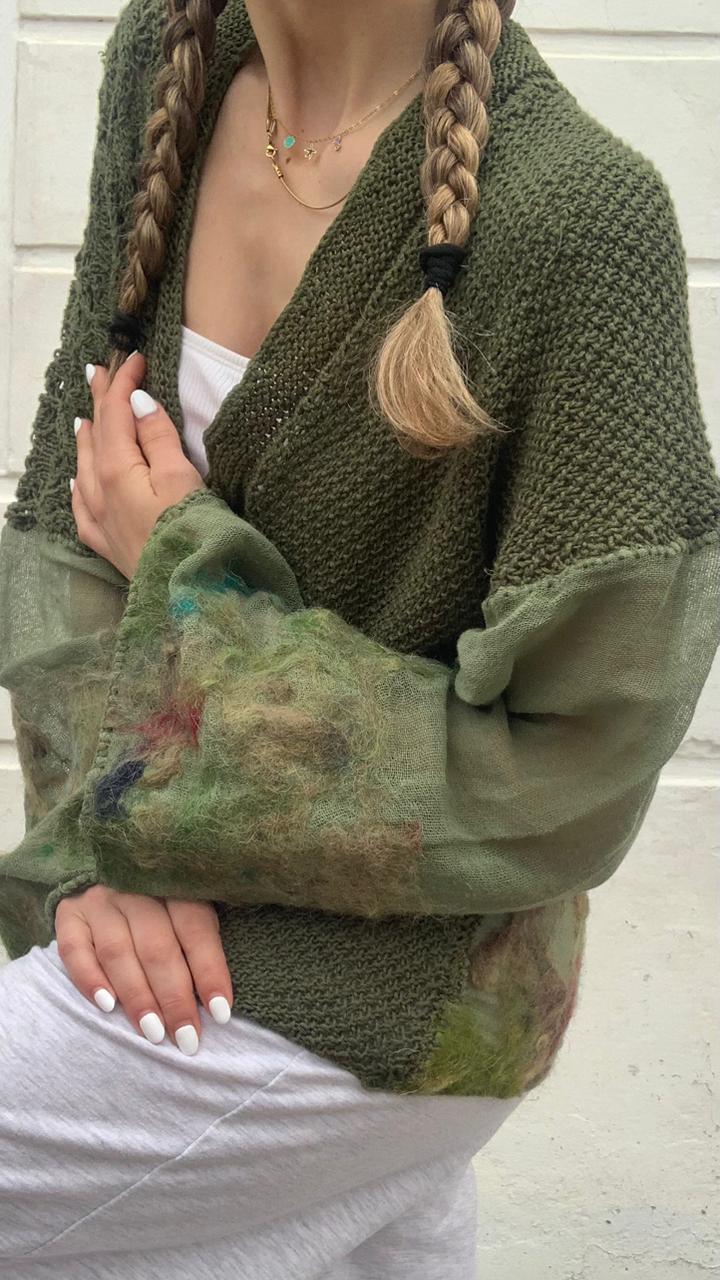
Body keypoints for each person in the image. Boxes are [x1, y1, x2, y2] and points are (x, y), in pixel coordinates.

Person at [0, 1, 718, 1276]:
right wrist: (104, 857)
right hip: (161, 932)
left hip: (397, 988)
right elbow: (63, 539)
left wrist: (184, 555)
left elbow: (577, 768)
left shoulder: (576, 217)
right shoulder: (165, 60)